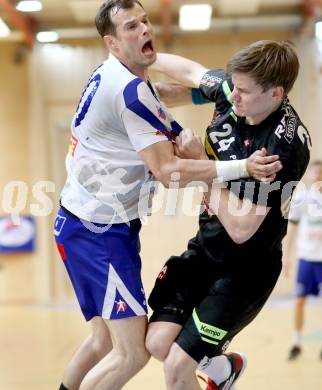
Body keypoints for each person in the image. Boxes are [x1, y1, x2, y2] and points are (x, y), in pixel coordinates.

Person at [53, 2, 280, 390]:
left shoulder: (115, 75)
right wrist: (240, 167)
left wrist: (212, 95)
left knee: (103, 340)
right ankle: (220, 368)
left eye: (144, 21)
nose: (143, 29)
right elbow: (169, 172)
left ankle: (219, 368)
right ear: (111, 42)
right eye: (130, 27)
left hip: (76, 223)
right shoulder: (130, 96)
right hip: (100, 234)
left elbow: (161, 91)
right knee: (133, 353)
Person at [145, 40, 312, 390]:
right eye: (233, 86)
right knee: (157, 343)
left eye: (244, 91)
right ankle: (223, 369)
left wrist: (201, 166)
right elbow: (190, 71)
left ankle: (212, 368)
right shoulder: (235, 90)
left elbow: (240, 227)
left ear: (276, 93)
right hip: (206, 249)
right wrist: (143, 57)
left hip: (246, 271)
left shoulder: (283, 146)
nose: (232, 96)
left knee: (177, 368)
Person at [283, 160, 322, 361]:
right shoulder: (302, 199)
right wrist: (286, 255)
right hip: (306, 259)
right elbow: (292, 229)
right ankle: (296, 343)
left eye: (321, 173)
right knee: (299, 301)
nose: (317, 176)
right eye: (314, 173)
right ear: (310, 175)